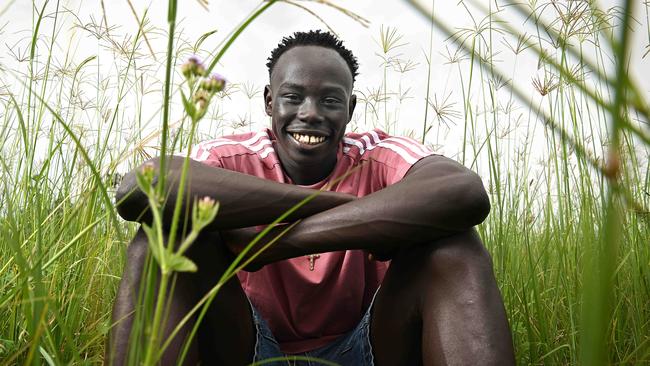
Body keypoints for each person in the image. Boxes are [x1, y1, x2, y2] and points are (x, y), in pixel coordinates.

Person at [108, 30, 515, 365]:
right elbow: (140, 188)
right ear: (269, 101)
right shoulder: (230, 157)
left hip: (367, 348)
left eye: (330, 100)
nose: (310, 113)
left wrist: (274, 245)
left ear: (350, 109)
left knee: (454, 249)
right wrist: (343, 209)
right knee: (159, 244)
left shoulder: (377, 154)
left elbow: (465, 192)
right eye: (292, 97)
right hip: (249, 347)